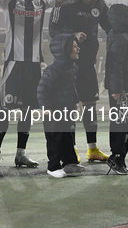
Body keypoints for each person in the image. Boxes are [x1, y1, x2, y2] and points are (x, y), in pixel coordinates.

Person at [0, 0, 78, 169]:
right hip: (13, 64)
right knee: (5, 109)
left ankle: (21, 154)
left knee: (27, 110)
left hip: (35, 64)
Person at [49, 0, 111, 163]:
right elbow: (53, 31)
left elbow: (110, 28)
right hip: (67, 65)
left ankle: (92, 149)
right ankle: (71, 149)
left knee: (90, 106)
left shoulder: (100, 5)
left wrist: (125, 35)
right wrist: (73, 35)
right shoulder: (66, 2)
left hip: (88, 65)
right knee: (70, 108)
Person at [38, 34, 86, 178]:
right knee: (55, 138)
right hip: (53, 111)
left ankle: (69, 163)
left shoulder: (73, 67)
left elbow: (72, 87)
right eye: (74, 46)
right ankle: (53, 167)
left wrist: (74, 103)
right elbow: (42, 89)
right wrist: (45, 107)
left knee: (68, 137)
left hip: (66, 110)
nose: (78, 49)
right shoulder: (53, 70)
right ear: (64, 49)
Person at [105, 4, 128, 175]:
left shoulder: (122, 37)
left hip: (125, 88)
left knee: (125, 123)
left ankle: (118, 156)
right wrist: (116, 89)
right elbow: (114, 65)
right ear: (123, 20)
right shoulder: (119, 38)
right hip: (121, 90)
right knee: (121, 124)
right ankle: (118, 159)